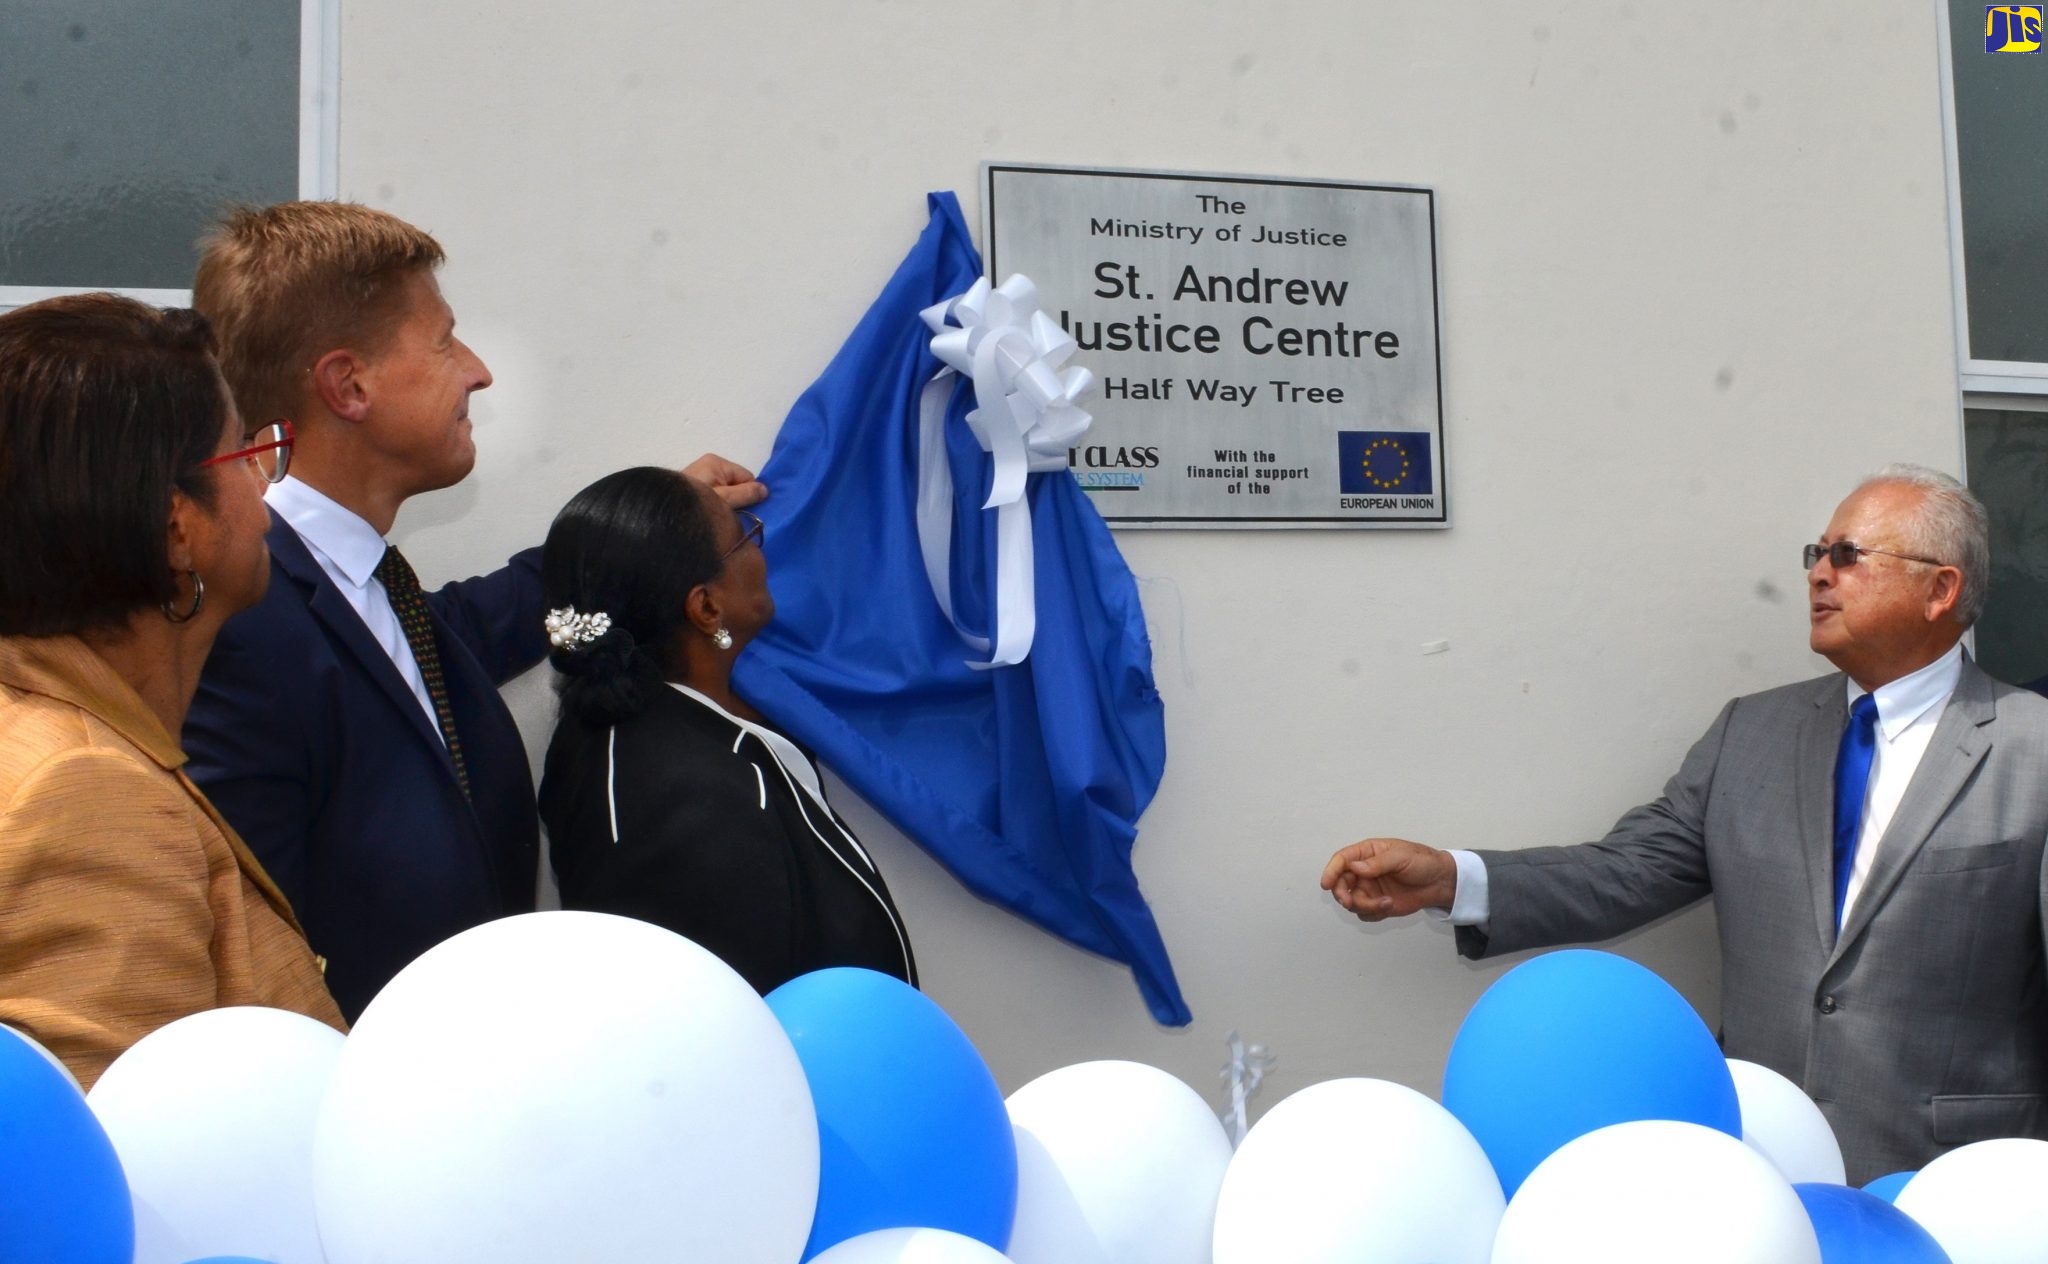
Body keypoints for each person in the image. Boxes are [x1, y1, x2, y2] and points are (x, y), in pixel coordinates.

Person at [1321, 465, 2048, 1182]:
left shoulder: (2032, 747)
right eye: (1816, 554)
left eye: (1848, 555)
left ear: (1940, 590)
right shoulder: (1751, 734)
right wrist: (1453, 879)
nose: (1819, 574)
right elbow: (1624, 872)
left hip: (1956, 1179)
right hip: (1764, 1171)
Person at [181, 201, 765, 1020]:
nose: (479, 371)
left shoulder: (380, 594)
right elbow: (251, 962)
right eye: (445, 341)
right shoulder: (247, 621)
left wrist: (657, 522)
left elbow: (480, 620)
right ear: (349, 385)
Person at [0, 294, 342, 1087]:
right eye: (242, 459)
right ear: (177, 529)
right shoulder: (87, 795)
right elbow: (113, 1160)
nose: (266, 503)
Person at [536, 467, 916, 993]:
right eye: (745, 535)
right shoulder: (693, 798)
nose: (762, 550)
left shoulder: (610, 730)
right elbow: (741, 1015)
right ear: (706, 607)